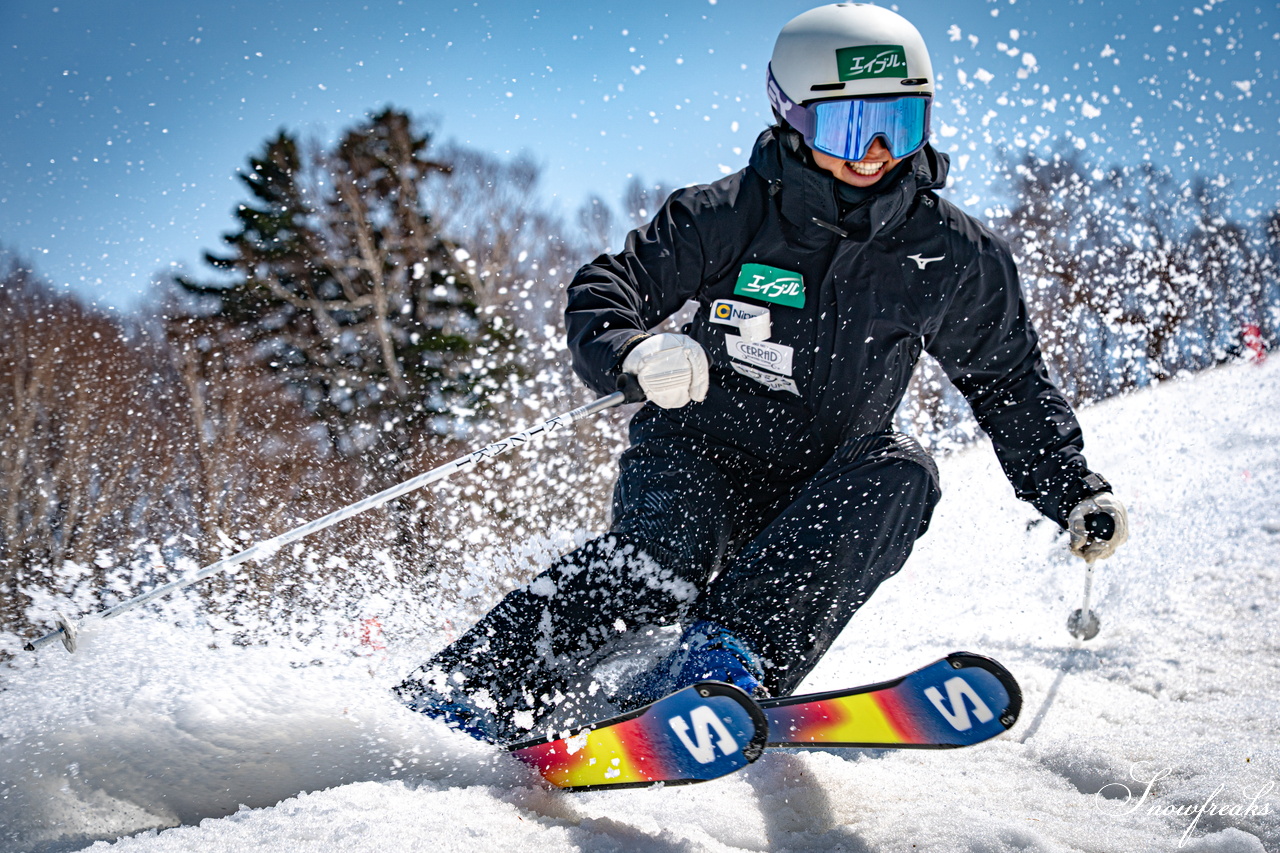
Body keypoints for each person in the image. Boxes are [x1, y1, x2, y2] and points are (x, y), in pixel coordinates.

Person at [394, 3, 1129, 744]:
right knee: (665, 553)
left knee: (904, 471)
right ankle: (468, 690)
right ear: (793, 116)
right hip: (696, 457)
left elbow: (1007, 381)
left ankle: (720, 661)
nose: (876, 152)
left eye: (899, 125)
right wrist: (634, 351)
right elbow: (607, 290)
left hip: (824, 481)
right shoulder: (730, 214)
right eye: (851, 128)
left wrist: (1070, 488)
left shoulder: (951, 254)